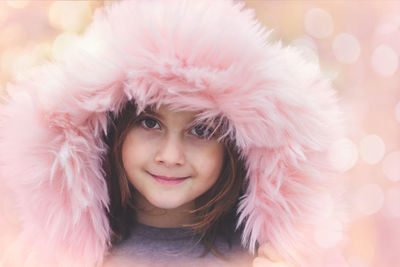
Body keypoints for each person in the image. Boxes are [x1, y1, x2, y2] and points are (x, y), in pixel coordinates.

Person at [0, 0, 345, 266]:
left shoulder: (270, 258)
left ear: (237, 147)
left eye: (201, 129)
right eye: (150, 123)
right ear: (111, 127)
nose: (170, 155)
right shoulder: (61, 257)